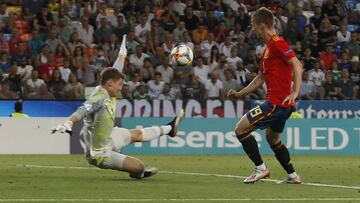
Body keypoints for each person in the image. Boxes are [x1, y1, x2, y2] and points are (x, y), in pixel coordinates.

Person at [52, 36, 185, 179]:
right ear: (110, 84)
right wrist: (69, 122)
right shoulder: (98, 98)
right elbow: (83, 109)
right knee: (139, 167)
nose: (121, 87)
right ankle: (137, 173)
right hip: (100, 153)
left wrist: (123, 51)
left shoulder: (108, 85)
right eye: (119, 84)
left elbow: (117, 65)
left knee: (137, 134)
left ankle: (170, 129)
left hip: (110, 136)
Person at [227, 7, 303, 184]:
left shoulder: (277, 42)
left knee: (240, 129)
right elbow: (260, 79)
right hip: (283, 106)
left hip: (276, 104)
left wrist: (295, 92)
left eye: (253, 26)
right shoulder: (269, 49)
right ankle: (293, 175)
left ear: (262, 26)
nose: (252, 30)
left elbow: (297, 65)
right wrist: (239, 93)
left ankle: (260, 168)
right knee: (272, 138)